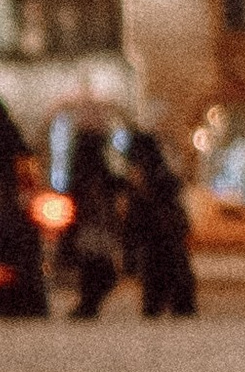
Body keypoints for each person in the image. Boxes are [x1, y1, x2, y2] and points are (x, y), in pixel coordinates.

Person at [121, 129, 196, 319]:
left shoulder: (155, 180)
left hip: (161, 239)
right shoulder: (159, 178)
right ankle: (167, 308)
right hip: (160, 240)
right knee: (165, 282)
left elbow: (137, 218)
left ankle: (168, 308)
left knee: (165, 281)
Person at [62, 119, 122, 322]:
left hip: (90, 228)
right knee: (99, 269)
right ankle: (88, 304)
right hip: (93, 228)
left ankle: (88, 304)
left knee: (94, 268)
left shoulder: (84, 173)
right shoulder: (96, 174)